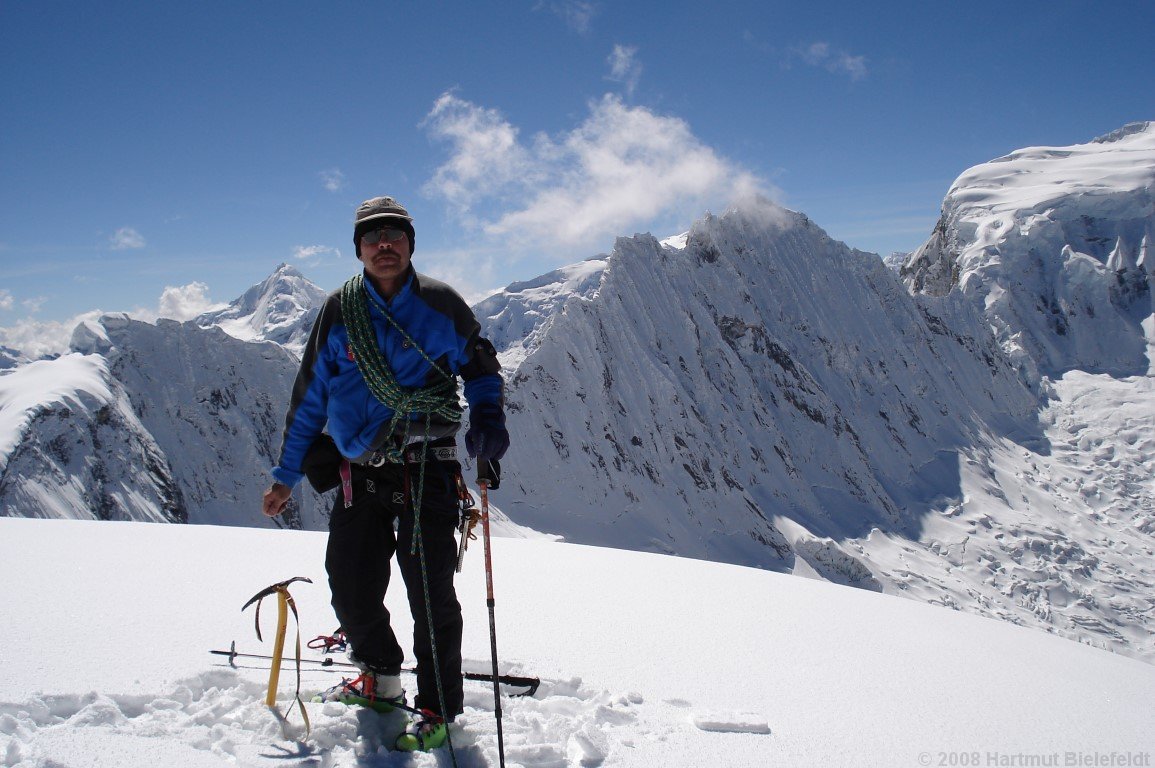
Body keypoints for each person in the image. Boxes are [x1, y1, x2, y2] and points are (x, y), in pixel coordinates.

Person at [262, 195, 509, 752]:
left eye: (394, 235)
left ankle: (438, 707)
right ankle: (380, 678)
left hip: (427, 472)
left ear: (410, 244)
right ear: (358, 250)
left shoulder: (442, 305)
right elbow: (310, 400)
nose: (384, 245)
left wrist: (487, 426)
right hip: (359, 474)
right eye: (373, 238)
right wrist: (285, 476)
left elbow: (482, 371)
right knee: (350, 586)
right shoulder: (338, 311)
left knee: (430, 597)